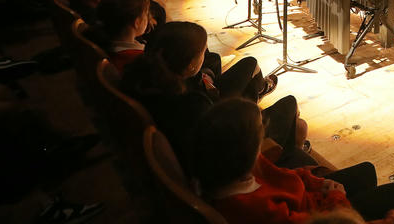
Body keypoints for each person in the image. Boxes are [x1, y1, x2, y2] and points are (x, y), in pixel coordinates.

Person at [190, 98, 394, 224]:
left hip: (312, 197)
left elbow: (285, 177)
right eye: (261, 133)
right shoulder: (255, 208)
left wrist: (314, 180)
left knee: (367, 170)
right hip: (321, 212)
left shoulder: (236, 167)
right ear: (246, 150)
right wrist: (336, 196)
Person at [120, 21, 296, 169]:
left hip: (201, 137)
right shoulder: (192, 104)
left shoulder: (140, 74)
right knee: (290, 106)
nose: (206, 54)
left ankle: (255, 101)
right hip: (232, 157)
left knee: (249, 65)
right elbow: (222, 146)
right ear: (190, 66)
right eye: (203, 52)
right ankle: (289, 159)